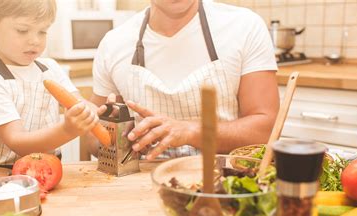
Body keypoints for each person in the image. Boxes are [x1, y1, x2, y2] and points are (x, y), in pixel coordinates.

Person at [90, 0, 279, 160]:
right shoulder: (113, 43)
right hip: (141, 187)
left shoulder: (244, 26)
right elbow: (92, 141)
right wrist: (116, 135)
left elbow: (265, 130)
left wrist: (190, 131)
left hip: (225, 183)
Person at [0, 0, 102, 168]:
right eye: (22, 30)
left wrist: (100, 112)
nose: (35, 40)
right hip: (2, 174)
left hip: (47, 167)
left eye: (43, 31)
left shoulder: (50, 68)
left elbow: (79, 104)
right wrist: (67, 130)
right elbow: (17, 142)